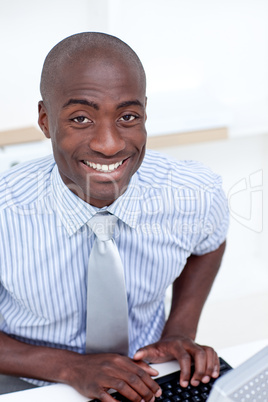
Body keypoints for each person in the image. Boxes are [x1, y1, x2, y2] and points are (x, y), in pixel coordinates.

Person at [0, 32, 229, 399]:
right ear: (45, 120)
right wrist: (68, 367)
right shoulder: (5, 210)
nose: (109, 144)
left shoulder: (195, 193)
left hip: (144, 375)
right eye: (80, 118)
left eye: (127, 116)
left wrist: (179, 332)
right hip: (29, 379)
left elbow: (210, 243)